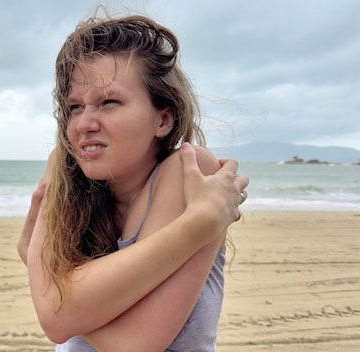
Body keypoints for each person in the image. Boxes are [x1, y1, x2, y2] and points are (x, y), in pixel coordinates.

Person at [18, 11, 249, 352]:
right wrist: (198, 224)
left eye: (108, 102)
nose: (84, 124)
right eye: (76, 107)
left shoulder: (190, 170)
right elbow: (56, 315)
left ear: (163, 119)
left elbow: (133, 343)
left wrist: (42, 271)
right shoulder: (66, 170)